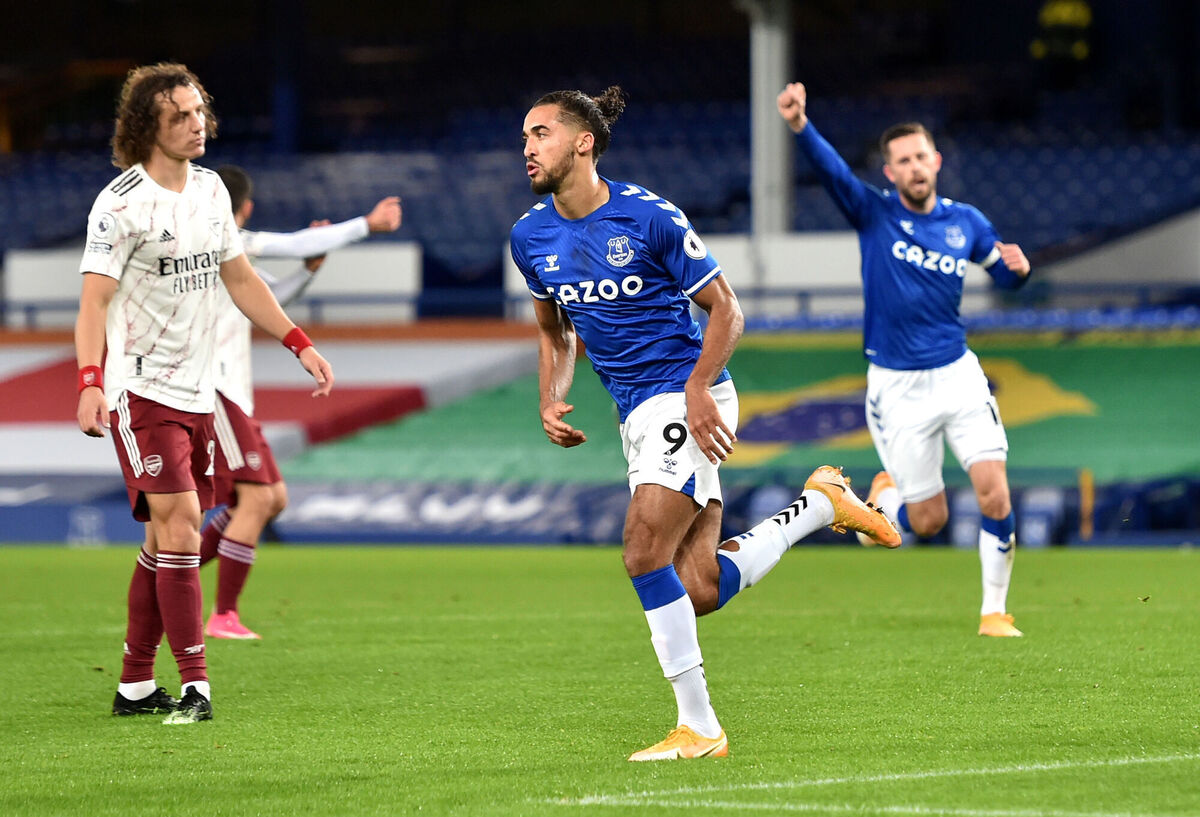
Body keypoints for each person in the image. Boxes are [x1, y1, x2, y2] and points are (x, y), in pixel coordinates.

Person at [510, 86, 900, 762]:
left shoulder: (650, 217)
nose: (527, 149)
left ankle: (701, 727)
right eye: (524, 138)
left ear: (583, 142)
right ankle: (819, 505)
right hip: (635, 410)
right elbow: (555, 329)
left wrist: (695, 388)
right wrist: (552, 394)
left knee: (640, 551)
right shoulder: (530, 236)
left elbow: (727, 310)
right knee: (697, 588)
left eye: (540, 133)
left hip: (688, 395)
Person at [75, 62, 334, 724]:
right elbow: (93, 303)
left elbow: (242, 279)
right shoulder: (119, 204)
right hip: (141, 390)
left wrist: (298, 341)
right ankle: (196, 686)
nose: (198, 125)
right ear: (147, 128)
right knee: (184, 521)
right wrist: (89, 381)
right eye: (180, 116)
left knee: (167, 539)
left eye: (199, 112)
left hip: (200, 392)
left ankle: (134, 685)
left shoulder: (213, 191)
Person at [776, 82, 1032, 638]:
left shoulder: (967, 222)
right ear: (890, 173)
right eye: (903, 161)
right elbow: (835, 175)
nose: (915, 167)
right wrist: (800, 125)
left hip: (958, 374)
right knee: (928, 521)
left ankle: (994, 612)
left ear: (936, 161)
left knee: (994, 488)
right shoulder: (874, 213)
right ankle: (883, 492)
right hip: (897, 386)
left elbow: (1006, 277)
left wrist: (1019, 269)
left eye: (922, 156)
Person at [198, 165, 402, 640]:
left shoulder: (222, 253)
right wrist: (363, 226)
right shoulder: (222, 238)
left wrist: (310, 269)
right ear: (243, 208)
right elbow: (291, 243)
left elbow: (269, 298)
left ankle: (179, 575)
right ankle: (221, 613)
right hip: (216, 389)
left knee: (270, 499)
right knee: (259, 498)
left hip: (231, 393)